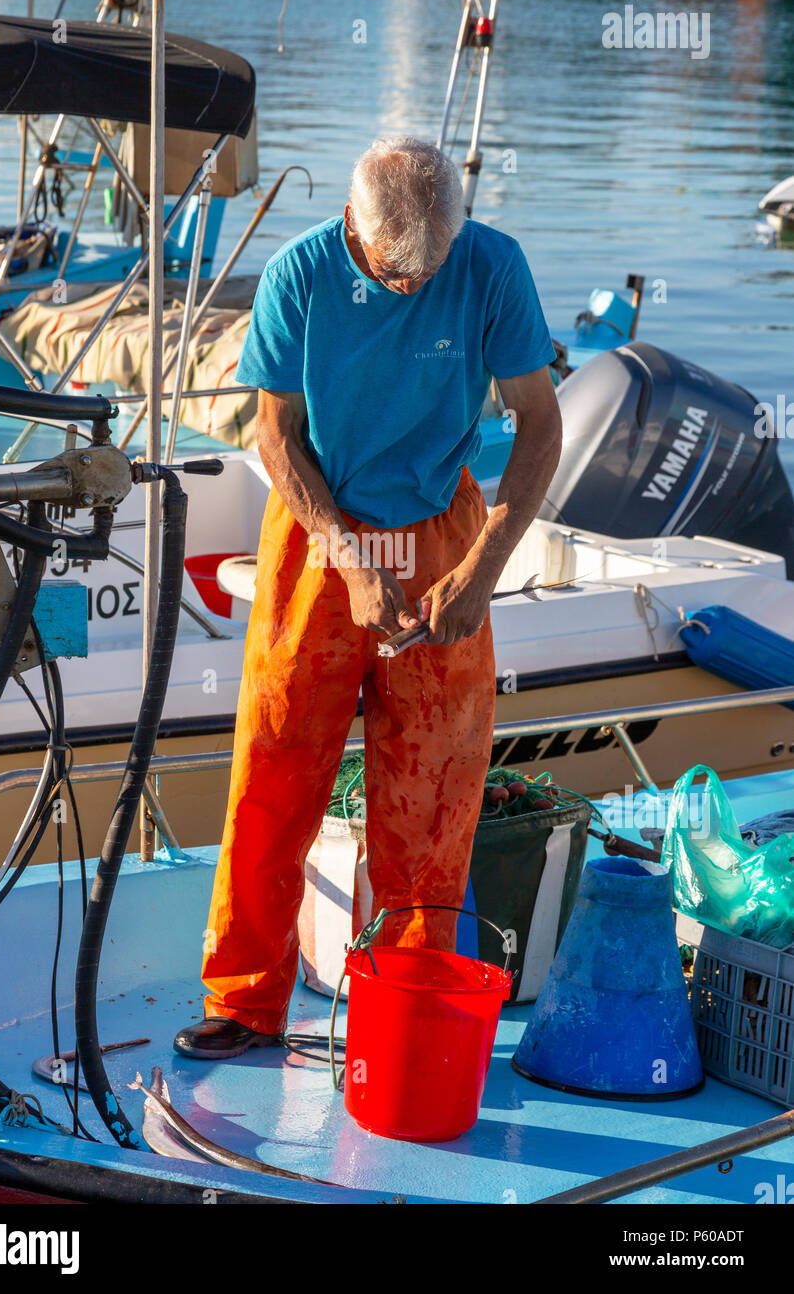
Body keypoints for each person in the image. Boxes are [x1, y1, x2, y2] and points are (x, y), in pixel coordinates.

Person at [174, 136, 561, 1060]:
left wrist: (482, 570)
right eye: (395, 276)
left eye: (429, 272)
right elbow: (275, 433)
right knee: (274, 769)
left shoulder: (493, 266)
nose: (413, 288)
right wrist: (349, 558)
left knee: (433, 794)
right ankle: (245, 999)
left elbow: (539, 419)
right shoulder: (302, 273)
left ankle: (410, 1005)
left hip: (441, 529)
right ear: (354, 227)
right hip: (319, 533)